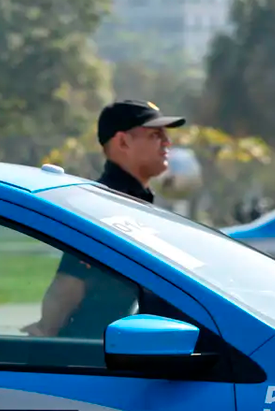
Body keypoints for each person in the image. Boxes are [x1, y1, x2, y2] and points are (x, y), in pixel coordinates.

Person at [23, 100, 186, 338]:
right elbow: (68, 285)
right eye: (155, 135)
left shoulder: (131, 202)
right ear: (122, 141)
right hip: (91, 357)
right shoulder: (103, 207)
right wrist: (45, 334)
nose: (167, 142)